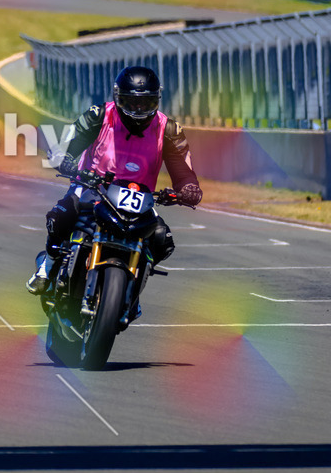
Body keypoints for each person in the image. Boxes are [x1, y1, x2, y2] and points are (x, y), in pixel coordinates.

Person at [26, 66, 203, 303]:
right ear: (118, 98)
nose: (138, 109)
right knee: (64, 214)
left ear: (157, 100)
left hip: (139, 198)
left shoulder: (169, 129)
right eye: (132, 102)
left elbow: (184, 171)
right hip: (92, 186)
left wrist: (188, 189)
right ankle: (46, 266)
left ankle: (133, 286)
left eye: (146, 102)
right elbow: (68, 144)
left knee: (162, 239)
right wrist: (64, 159)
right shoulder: (99, 115)